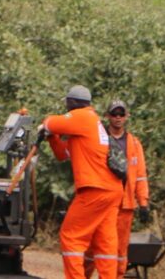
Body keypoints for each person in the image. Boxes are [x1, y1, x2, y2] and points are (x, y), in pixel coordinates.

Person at [40, 85, 124, 278]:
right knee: (105, 243)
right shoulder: (91, 126)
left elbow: (51, 122)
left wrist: (45, 127)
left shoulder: (83, 116)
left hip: (95, 189)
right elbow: (63, 153)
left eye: (67, 103)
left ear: (73, 102)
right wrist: (52, 138)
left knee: (71, 237)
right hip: (111, 190)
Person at [84, 100, 149, 279]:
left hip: (124, 205)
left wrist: (143, 203)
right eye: (114, 114)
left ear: (127, 116)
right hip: (101, 202)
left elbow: (141, 175)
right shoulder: (99, 140)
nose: (118, 118)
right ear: (108, 116)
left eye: (121, 114)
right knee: (91, 246)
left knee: (119, 251)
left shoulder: (134, 144)